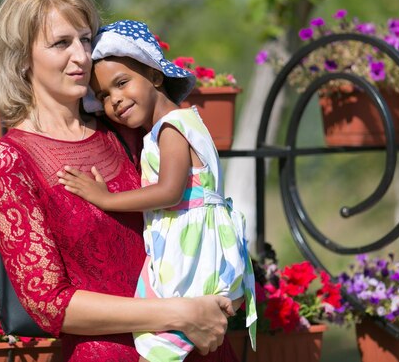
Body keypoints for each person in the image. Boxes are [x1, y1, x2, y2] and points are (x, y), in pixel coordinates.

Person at [0, 0, 237, 362]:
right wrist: (182, 313)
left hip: (198, 345)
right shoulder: (9, 161)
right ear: (21, 58)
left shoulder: (125, 131)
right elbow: (50, 304)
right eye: (61, 43)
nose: (82, 56)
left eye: (85, 40)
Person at [57, 20, 257, 362]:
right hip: (200, 241)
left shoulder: (172, 128)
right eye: (104, 96)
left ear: (155, 76)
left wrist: (105, 199)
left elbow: (170, 192)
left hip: (191, 246)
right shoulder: (180, 123)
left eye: (122, 84)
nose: (115, 100)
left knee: (161, 344)